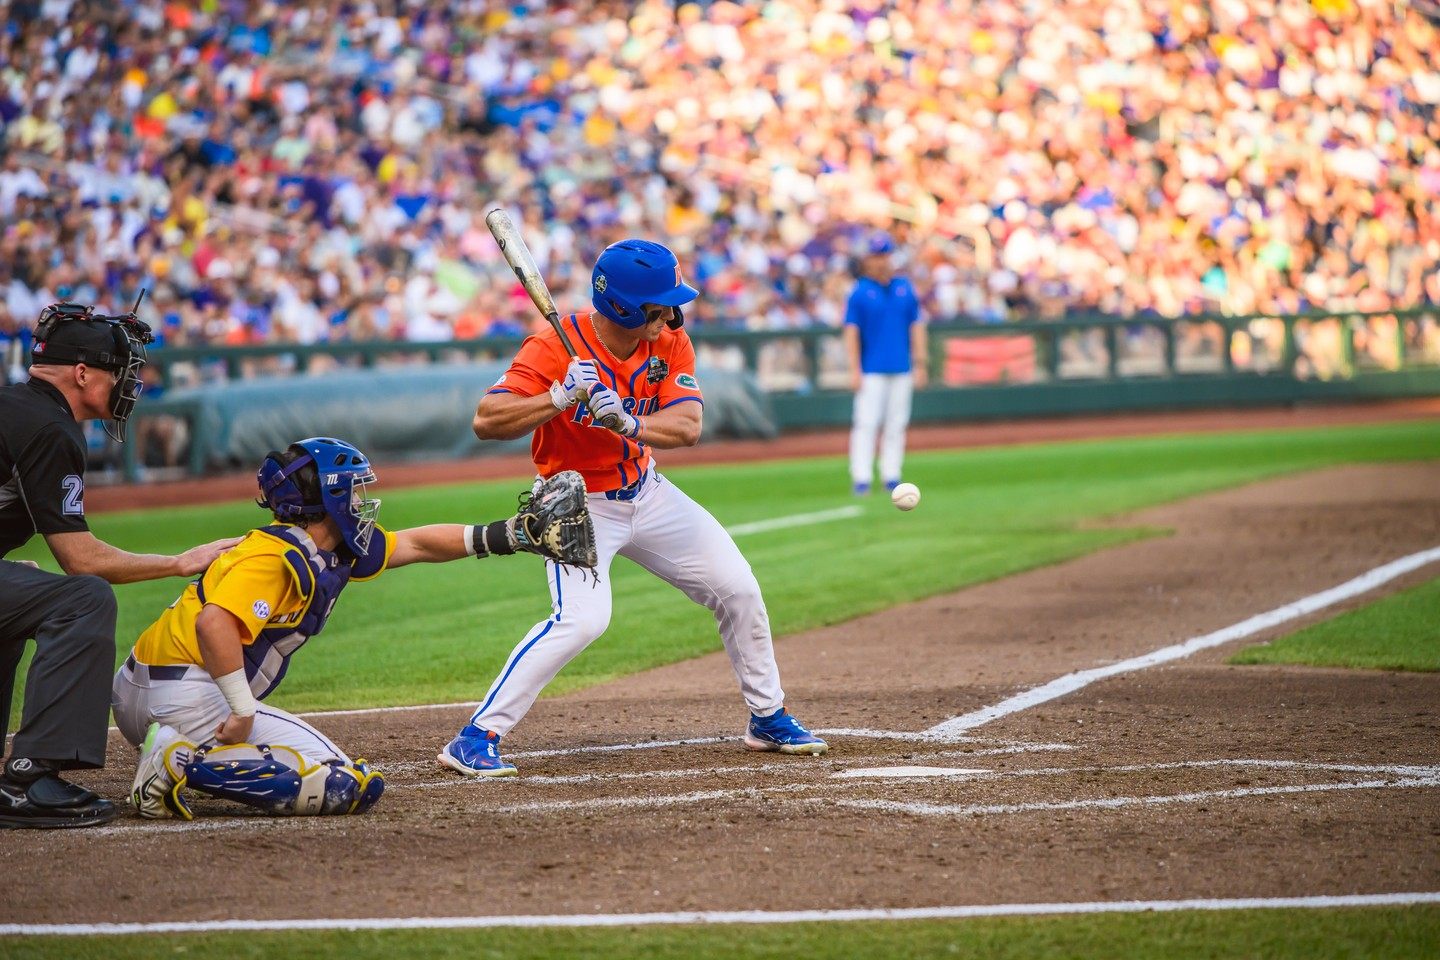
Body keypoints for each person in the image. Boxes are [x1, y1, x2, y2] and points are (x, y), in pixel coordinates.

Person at [437, 238, 828, 778]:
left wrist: (628, 423)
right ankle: (476, 737)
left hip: (646, 491)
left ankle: (767, 717)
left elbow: (688, 426)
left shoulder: (669, 340)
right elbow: (487, 419)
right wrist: (558, 398)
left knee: (738, 589)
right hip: (578, 504)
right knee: (582, 621)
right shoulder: (553, 346)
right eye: (659, 303)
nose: (671, 313)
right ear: (622, 306)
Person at [115, 437, 595, 819]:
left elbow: (416, 545)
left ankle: (178, 756)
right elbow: (213, 623)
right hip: (183, 696)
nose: (363, 500)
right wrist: (242, 710)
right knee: (344, 784)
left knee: (337, 777)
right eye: (354, 489)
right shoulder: (273, 556)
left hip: (153, 690)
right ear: (326, 498)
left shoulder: (323, 546)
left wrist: (509, 534)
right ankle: (181, 763)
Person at [0, 301, 238, 829]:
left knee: (24, 595)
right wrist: (179, 561)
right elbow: (80, 560)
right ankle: (27, 778)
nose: (127, 383)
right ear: (82, 373)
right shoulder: (48, 427)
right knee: (84, 599)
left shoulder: (17, 408)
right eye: (118, 371)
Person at [844, 232, 927, 495]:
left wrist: (921, 362)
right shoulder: (860, 291)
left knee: (896, 423)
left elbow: (916, 325)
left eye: (884, 255)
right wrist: (854, 368)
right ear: (868, 260)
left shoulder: (904, 287)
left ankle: (892, 474)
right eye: (876, 256)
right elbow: (851, 331)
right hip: (871, 368)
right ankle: (862, 477)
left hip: (901, 366)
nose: (880, 261)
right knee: (866, 423)